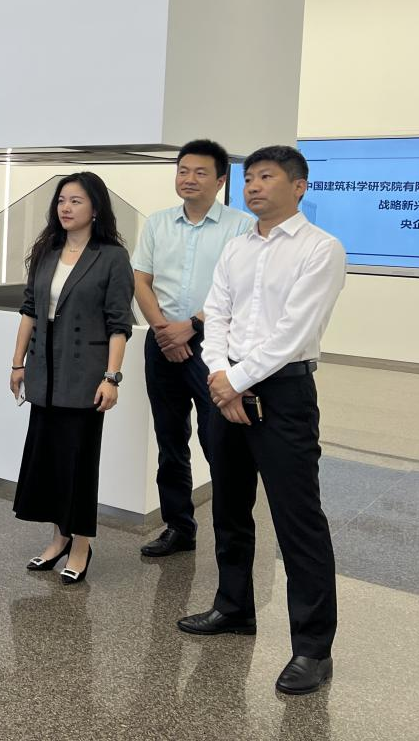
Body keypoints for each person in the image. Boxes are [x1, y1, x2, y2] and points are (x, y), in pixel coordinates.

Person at [177, 145, 346, 696]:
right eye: (248, 178)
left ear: (298, 186)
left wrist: (235, 381)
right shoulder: (237, 247)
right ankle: (233, 607)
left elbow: (295, 332)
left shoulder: (321, 249)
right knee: (229, 506)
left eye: (265, 177)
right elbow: (216, 315)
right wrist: (220, 375)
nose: (252, 186)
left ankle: (312, 649)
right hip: (226, 385)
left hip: (283, 394)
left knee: (298, 520)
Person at [9, 172, 134, 584]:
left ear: (96, 208)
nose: (66, 207)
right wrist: (17, 364)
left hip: (85, 376)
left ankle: (81, 545)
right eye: (62, 200)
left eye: (76, 201)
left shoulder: (112, 257)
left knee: (78, 463)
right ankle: (58, 538)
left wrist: (111, 377)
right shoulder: (47, 251)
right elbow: (30, 309)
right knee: (49, 461)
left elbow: (119, 324)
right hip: (44, 372)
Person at [133, 140, 253, 556]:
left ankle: (231, 534)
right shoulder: (158, 223)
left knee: (217, 439)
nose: (189, 179)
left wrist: (191, 327)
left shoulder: (240, 227)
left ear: (220, 181)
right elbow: (141, 280)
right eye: (183, 170)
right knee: (169, 439)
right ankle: (179, 527)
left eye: (200, 172)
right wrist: (164, 331)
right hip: (162, 338)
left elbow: (237, 289)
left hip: (213, 341)